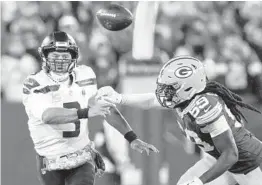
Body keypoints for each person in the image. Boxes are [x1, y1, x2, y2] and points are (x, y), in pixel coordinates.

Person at [99, 56, 262, 185]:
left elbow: (231, 154)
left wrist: (200, 180)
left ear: (188, 88)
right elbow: (150, 101)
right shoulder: (183, 101)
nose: (164, 92)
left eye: (170, 88)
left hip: (250, 165)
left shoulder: (205, 105)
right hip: (219, 160)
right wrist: (119, 98)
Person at [22, 31, 159, 185]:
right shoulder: (35, 82)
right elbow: (48, 116)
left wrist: (131, 137)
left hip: (82, 157)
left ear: (73, 57)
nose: (60, 60)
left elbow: (105, 108)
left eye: (65, 56)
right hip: (50, 160)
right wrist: (86, 111)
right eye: (55, 55)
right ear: (45, 56)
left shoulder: (85, 75)